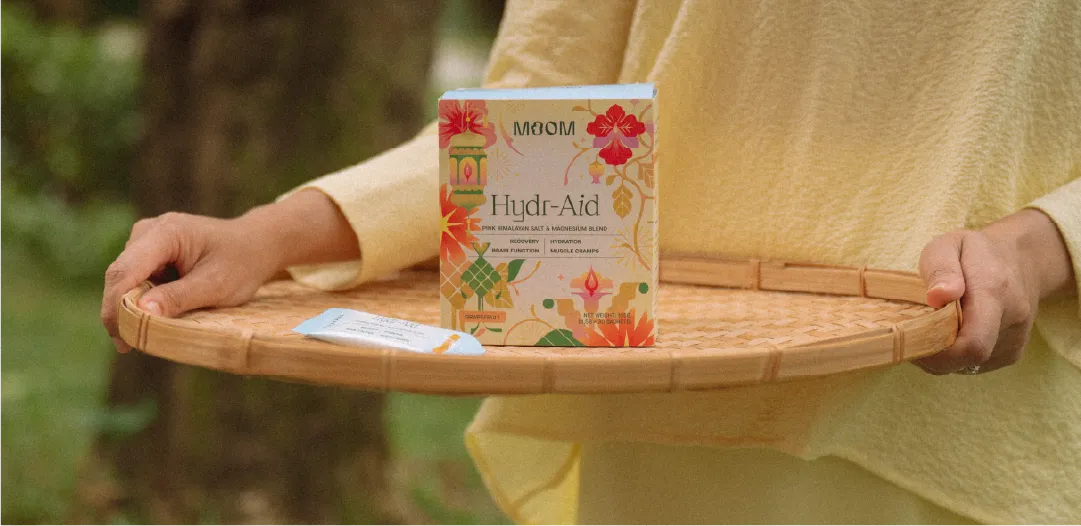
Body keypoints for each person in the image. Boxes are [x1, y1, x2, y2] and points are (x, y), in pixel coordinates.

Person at [102, 0, 1081, 523]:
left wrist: (1037, 245)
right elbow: (525, 125)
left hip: (947, 431)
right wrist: (271, 235)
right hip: (662, 421)